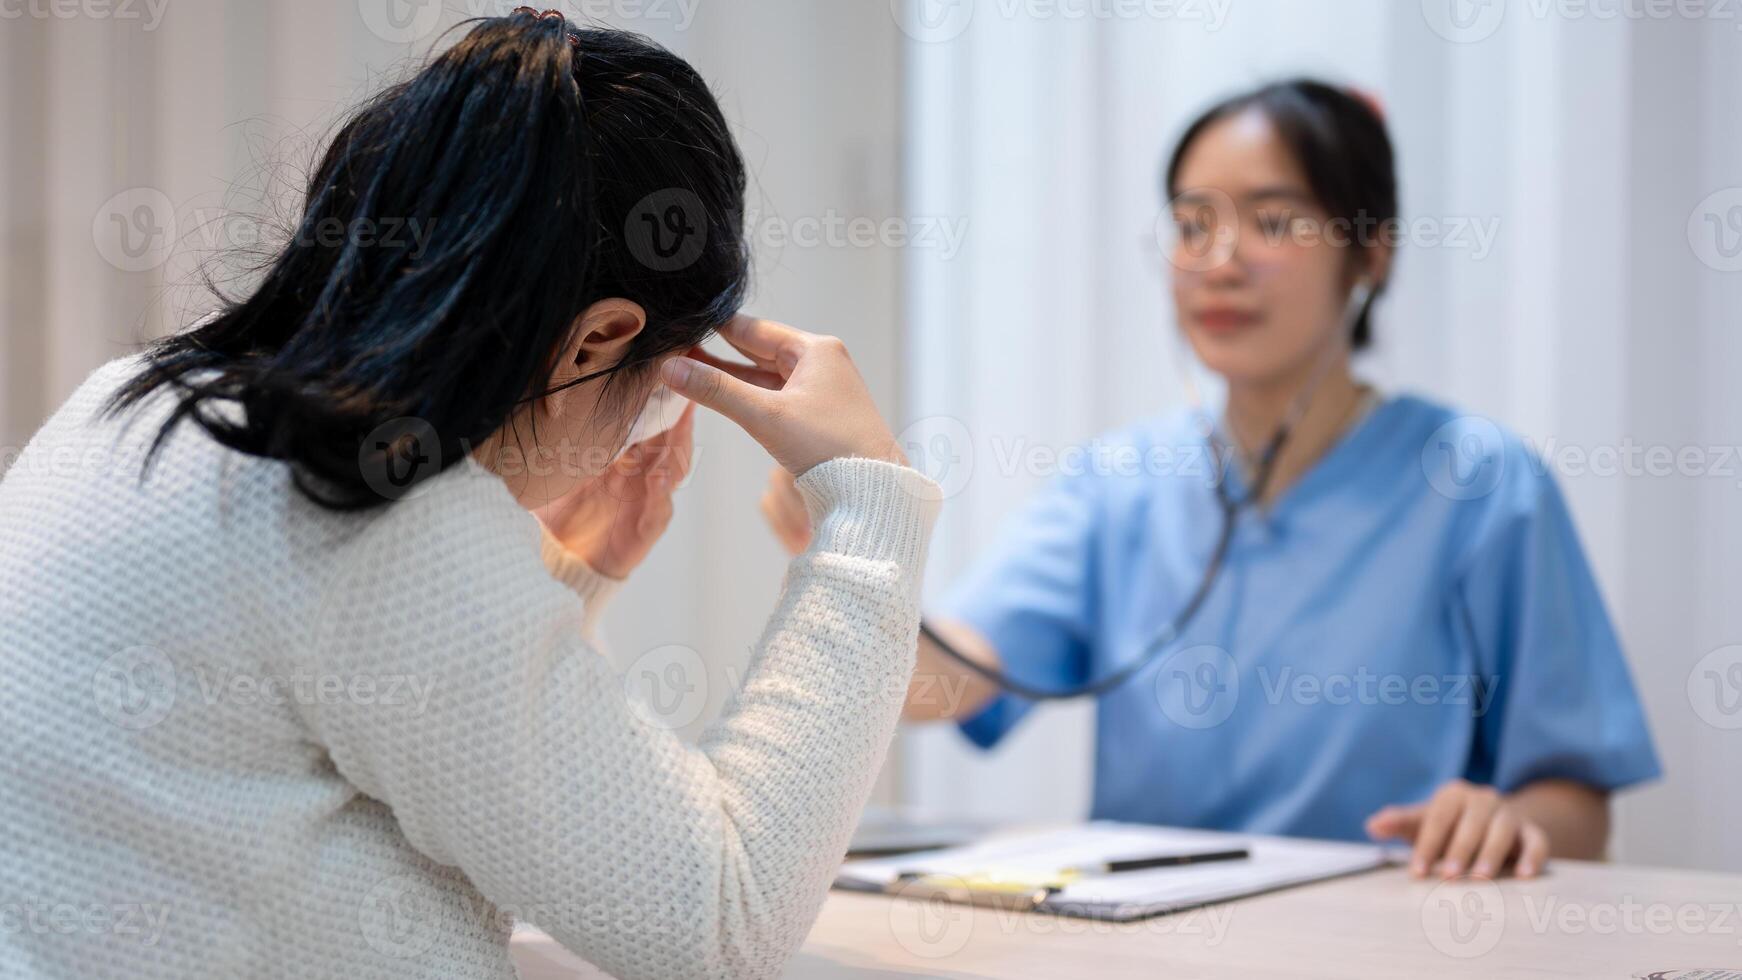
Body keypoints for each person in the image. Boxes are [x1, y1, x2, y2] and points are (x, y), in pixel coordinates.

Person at [0, 12, 940, 979]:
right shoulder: (375, 511)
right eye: (657, 391)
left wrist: (572, 582)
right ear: (594, 342)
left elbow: (337, 735)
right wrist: (870, 505)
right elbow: (721, 918)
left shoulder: (137, 401)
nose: (641, 432)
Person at [760, 79, 1659, 881]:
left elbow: (1578, 803)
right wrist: (849, 545)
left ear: (1372, 250)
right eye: (1193, 224)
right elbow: (945, 686)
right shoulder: (1116, 485)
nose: (1220, 260)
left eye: (1273, 220)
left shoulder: (1483, 484)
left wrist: (1504, 821)